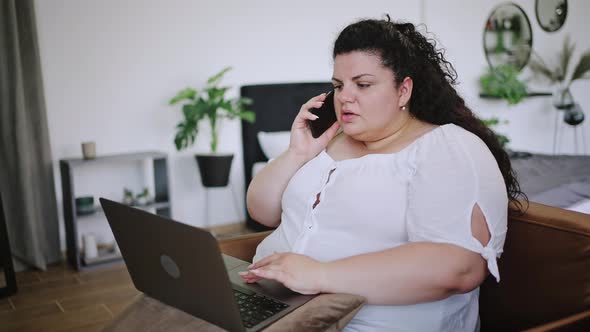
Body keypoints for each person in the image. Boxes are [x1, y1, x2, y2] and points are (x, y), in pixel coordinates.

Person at [240, 16, 525, 331]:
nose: (344, 96)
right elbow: (261, 212)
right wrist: (297, 154)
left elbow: (458, 267)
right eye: (338, 85)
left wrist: (318, 274)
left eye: (362, 84)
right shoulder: (331, 142)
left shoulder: (447, 147)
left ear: (403, 90)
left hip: (359, 323)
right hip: (270, 306)